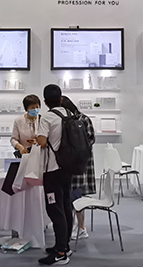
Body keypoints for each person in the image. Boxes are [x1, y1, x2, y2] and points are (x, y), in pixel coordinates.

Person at [37, 84, 73, 266]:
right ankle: (64, 245)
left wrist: (38, 137)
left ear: (44, 102)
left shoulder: (47, 117)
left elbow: (43, 142)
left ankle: (60, 253)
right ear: (61, 99)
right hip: (68, 167)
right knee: (66, 205)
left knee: (54, 209)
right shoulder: (70, 114)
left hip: (53, 169)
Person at [62, 95, 95, 241]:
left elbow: (91, 139)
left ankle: (81, 227)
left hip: (79, 163)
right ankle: (73, 226)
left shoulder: (83, 119)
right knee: (71, 195)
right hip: (72, 163)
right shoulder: (68, 120)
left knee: (76, 195)